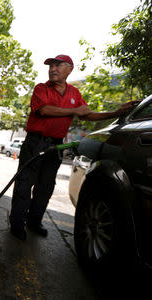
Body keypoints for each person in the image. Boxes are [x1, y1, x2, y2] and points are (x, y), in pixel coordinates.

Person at [9, 54, 140, 241]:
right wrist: (74, 111)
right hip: (35, 142)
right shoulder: (41, 88)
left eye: (57, 65)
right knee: (24, 183)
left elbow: (86, 115)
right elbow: (44, 110)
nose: (52, 69)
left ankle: (34, 221)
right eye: (50, 66)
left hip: (56, 144)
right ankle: (16, 224)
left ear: (69, 69)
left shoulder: (74, 93)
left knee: (45, 186)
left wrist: (116, 112)